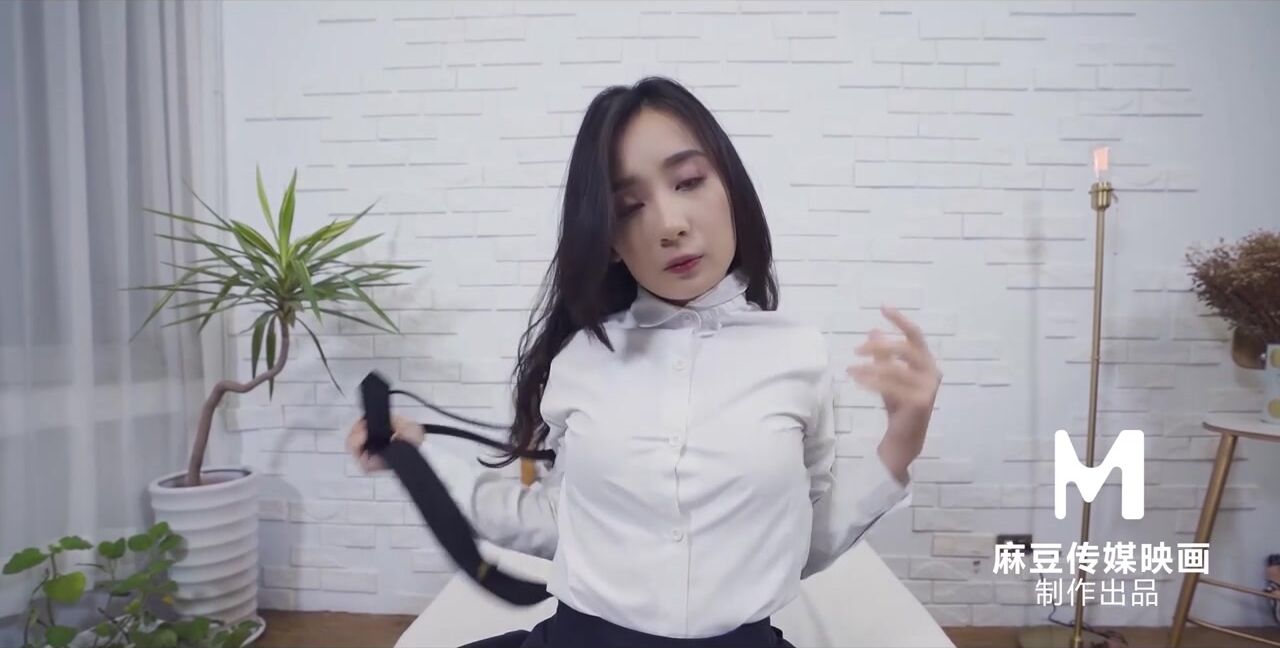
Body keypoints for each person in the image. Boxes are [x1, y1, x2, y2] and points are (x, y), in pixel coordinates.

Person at [346, 76, 942, 648]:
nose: (669, 225)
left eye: (688, 181)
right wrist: (414, 457)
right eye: (630, 206)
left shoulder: (798, 354)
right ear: (607, 237)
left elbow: (799, 539)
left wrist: (901, 444)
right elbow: (554, 522)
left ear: (730, 187)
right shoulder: (580, 358)